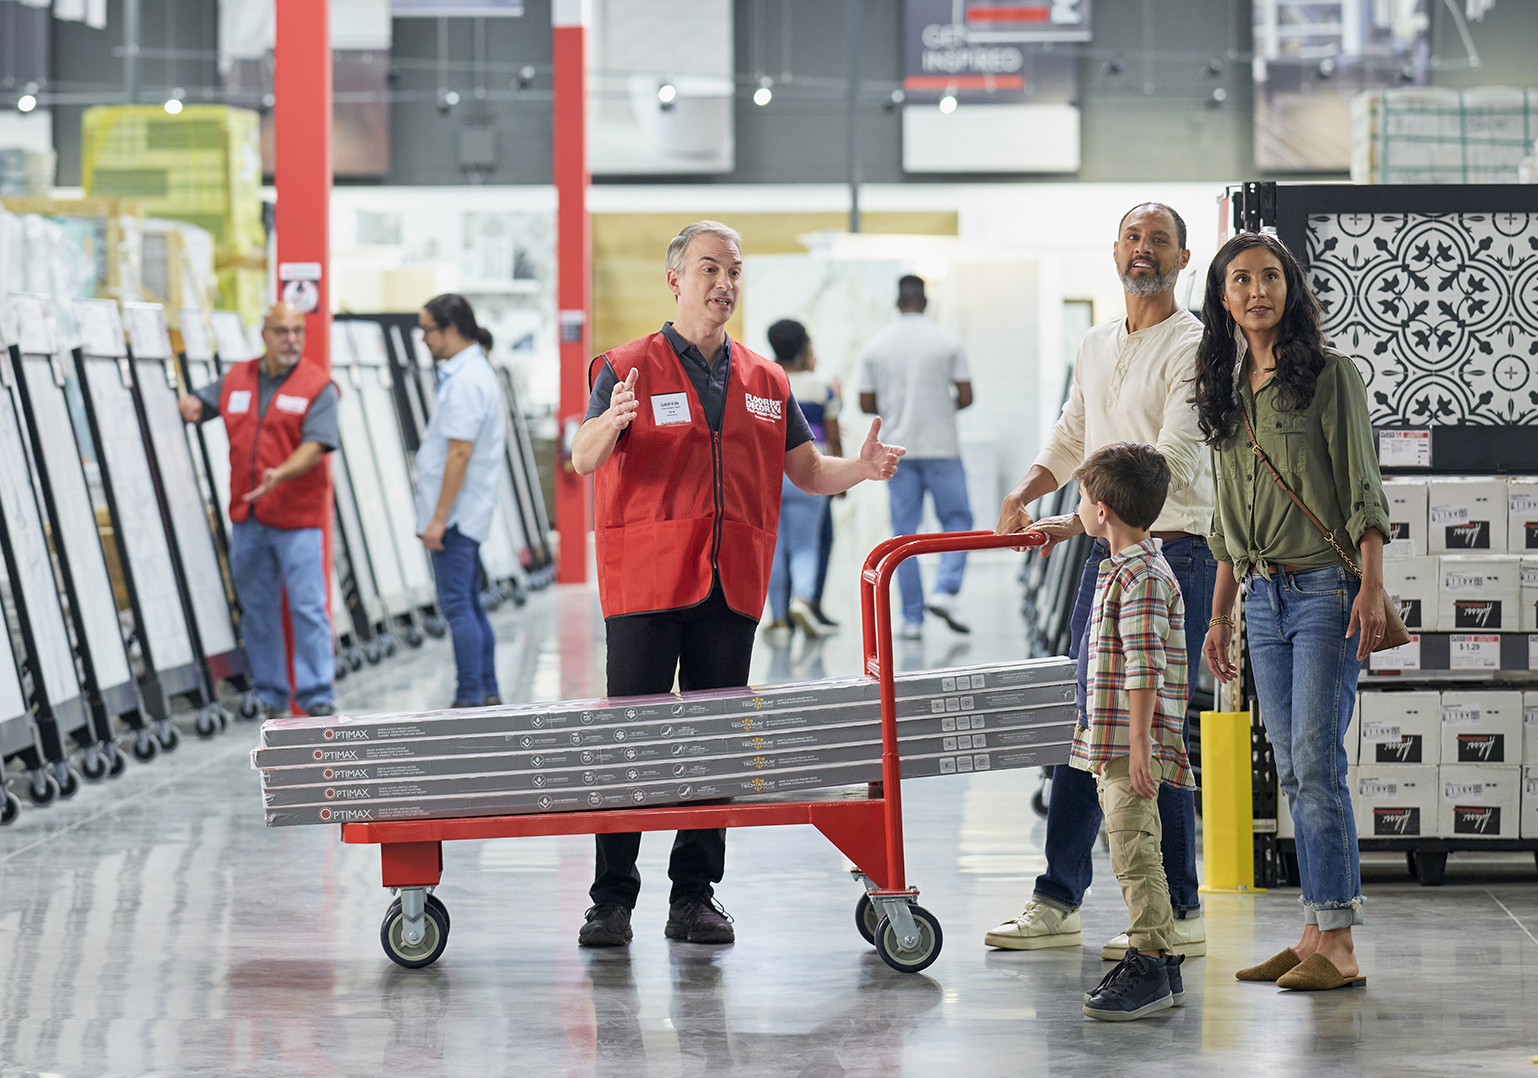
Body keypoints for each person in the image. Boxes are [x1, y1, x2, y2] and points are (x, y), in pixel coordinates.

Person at [570, 220, 904, 947]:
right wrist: (612, 421)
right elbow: (583, 456)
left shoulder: (765, 379)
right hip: (646, 587)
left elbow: (808, 471)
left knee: (716, 743)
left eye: (734, 272)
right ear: (676, 280)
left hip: (731, 587)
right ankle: (611, 900)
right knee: (632, 741)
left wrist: (863, 469)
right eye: (710, 269)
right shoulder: (624, 367)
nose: (724, 284)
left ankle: (693, 895)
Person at [987, 202, 1215, 960]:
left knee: (1155, 736)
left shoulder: (1196, 348)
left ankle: (1180, 908)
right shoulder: (1094, 342)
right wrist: (1030, 498)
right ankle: (1059, 899)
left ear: (1183, 259)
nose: (1143, 249)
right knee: (1084, 725)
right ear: (1114, 250)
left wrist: (1090, 516)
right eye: (1132, 237)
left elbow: (1171, 462)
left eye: (1159, 240)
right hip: (1107, 551)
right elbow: (1072, 433)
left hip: (1170, 557)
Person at [1197, 231, 1388, 991]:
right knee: (1295, 765)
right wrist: (1219, 617)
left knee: (1315, 762)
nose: (1256, 291)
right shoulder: (1222, 387)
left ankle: (1337, 941)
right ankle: (1313, 926)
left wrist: (1370, 587)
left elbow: (1364, 490)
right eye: (1240, 280)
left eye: (1270, 277)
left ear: (1291, 288)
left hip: (1323, 593)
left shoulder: (1329, 377)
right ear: (1222, 299)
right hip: (1260, 599)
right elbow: (1222, 520)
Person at [1067, 442, 1193, 1022]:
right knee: (1133, 845)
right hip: (1116, 737)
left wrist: (1139, 744)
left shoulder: (1140, 576)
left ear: (1101, 512)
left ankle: (1148, 961)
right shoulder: (1126, 569)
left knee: (1133, 850)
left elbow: (1144, 666)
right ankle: (1161, 960)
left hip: (1130, 742)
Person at [177, 302, 337, 720]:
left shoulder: (317, 386)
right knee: (257, 608)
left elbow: (316, 444)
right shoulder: (237, 377)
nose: (291, 339)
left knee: (307, 606)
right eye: (282, 331)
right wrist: (190, 402)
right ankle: (270, 692)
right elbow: (202, 403)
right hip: (247, 518)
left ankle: (317, 692)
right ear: (264, 335)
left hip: (298, 518)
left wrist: (280, 473)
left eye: (298, 331)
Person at [857, 275, 974, 640]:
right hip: (942, 448)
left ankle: (911, 619)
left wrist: (894, 408)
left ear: (897, 301)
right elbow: (967, 395)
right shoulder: (947, 340)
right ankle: (945, 591)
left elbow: (865, 402)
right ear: (925, 301)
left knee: (904, 535)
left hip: (897, 452)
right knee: (958, 521)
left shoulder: (876, 345)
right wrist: (940, 405)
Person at [415, 294, 509, 709]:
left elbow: (459, 453)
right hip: (467, 511)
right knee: (468, 603)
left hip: (455, 516)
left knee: (456, 605)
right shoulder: (472, 372)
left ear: (449, 330)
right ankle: (485, 690)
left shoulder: (467, 380)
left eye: (427, 330)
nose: (423, 339)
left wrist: (438, 518)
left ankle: (469, 695)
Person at [764, 318, 842, 639]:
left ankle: (779, 617)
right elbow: (835, 437)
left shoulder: (763, 380)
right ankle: (803, 599)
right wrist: (840, 477)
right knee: (806, 545)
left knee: (774, 547)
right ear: (804, 348)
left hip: (770, 473)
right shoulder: (820, 387)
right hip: (810, 469)